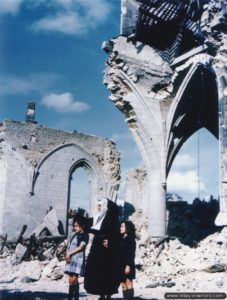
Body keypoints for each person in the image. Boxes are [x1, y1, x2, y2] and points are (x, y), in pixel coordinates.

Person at [84, 198, 119, 300]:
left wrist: (110, 241)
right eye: (98, 205)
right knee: (98, 272)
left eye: (100, 205)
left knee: (106, 273)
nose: (98, 207)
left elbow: (116, 236)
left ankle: (107, 295)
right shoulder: (98, 218)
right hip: (97, 250)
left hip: (108, 253)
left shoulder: (112, 220)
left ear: (105, 207)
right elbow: (88, 226)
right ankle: (101, 295)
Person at [64, 216, 89, 300]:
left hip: (78, 259)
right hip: (71, 259)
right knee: (70, 280)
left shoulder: (85, 235)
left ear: (82, 226)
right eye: (74, 226)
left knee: (75, 279)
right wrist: (67, 255)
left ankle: (76, 297)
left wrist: (70, 253)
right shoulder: (75, 235)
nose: (75, 228)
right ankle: (70, 297)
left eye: (76, 226)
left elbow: (81, 247)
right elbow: (69, 246)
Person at [117, 221, 136, 299]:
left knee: (128, 282)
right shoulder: (121, 239)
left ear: (127, 228)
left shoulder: (131, 239)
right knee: (123, 284)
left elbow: (131, 254)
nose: (120, 228)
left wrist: (128, 265)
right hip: (121, 264)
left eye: (122, 226)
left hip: (128, 264)